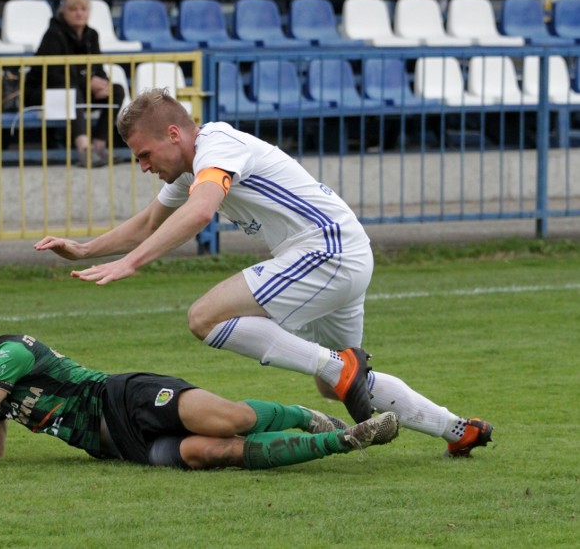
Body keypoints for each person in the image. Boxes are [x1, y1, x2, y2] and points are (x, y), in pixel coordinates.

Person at [34, 88, 493, 458]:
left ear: (174, 133)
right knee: (336, 388)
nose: (143, 166)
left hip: (325, 249)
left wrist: (131, 263)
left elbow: (199, 212)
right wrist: (84, 249)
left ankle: (338, 365)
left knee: (204, 318)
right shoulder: (190, 170)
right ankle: (457, 428)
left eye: (144, 153)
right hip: (344, 254)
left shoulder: (217, 145)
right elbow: (148, 222)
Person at [0, 291, 399, 469]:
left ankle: (305, 415)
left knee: (234, 420)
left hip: (122, 396)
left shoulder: (9, 354)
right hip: (117, 446)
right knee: (210, 453)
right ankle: (344, 440)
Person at [24, 0, 125, 168]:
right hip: (43, 91)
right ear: (64, 12)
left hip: (77, 88)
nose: (79, 13)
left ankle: (99, 146)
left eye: (83, 9)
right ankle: (83, 150)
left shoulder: (92, 35)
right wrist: (87, 82)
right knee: (71, 90)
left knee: (116, 90)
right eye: (73, 9)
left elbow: (98, 67)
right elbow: (53, 75)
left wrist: (102, 83)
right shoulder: (53, 35)